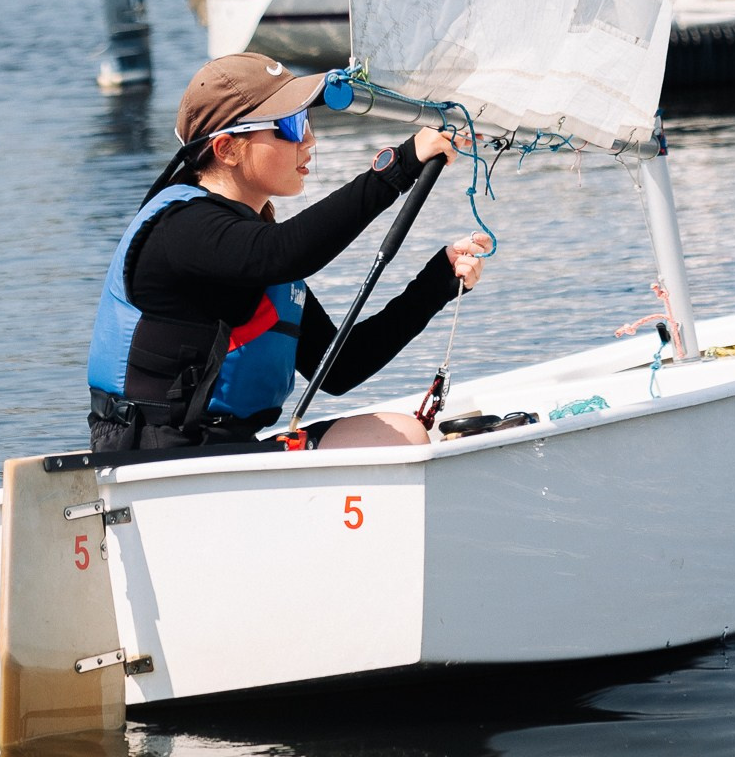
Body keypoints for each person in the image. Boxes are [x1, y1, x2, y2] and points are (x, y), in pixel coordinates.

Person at [87, 53, 491, 463]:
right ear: (227, 148)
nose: (309, 140)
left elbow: (339, 368)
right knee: (403, 436)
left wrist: (438, 281)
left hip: (229, 454)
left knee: (403, 434)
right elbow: (285, 253)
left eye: (307, 123)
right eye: (291, 126)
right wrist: (400, 165)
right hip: (156, 463)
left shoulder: (249, 244)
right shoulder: (182, 228)